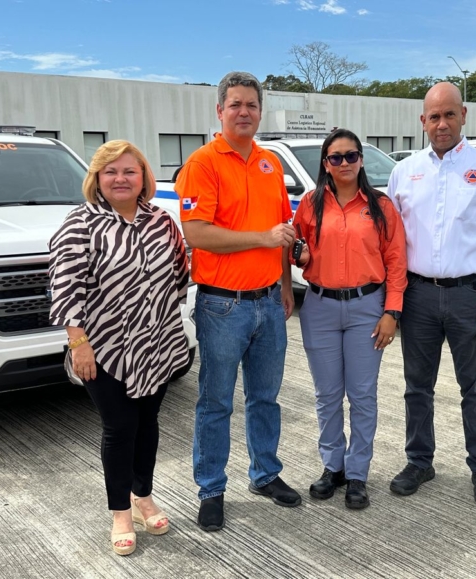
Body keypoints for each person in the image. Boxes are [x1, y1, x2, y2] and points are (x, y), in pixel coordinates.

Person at [48, 140, 190, 555]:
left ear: (144, 176)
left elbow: (180, 273)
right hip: (103, 348)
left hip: (157, 342)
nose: (121, 179)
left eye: (130, 171)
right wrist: (78, 343)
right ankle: (121, 513)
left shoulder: (161, 221)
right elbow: (65, 287)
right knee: (120, 427)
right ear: (97, 178)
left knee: (148, 423)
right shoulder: (80, 224)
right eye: (110, 171)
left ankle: (142, 495)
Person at [176, 71, 299, 532]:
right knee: (216, 402)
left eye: (251, 105)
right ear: (220, 110)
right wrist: (260, 238)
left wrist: (284, 284)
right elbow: (197, 233)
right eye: (236, 104)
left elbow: (282, 231)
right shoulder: (203, 164)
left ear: (260, 112)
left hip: (269, 303)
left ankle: (265, 474)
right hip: (223, 307)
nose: (244, 112)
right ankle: (211, 489)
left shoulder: (270, 163)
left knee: (265, 398)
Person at [386, 82, 476, 505]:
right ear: (422, 121)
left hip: (471, 296)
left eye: (449, 115)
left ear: (463, 116)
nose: (441, 124)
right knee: (416, 387)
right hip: (418, 296)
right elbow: (390, 240)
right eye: (434, 116)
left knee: (474, 386)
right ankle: (419, 461)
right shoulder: (405, 172)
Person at [291, 129, 407, 509]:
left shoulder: (381, 206)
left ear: (361, 159)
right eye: (335, 157)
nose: (344, 163)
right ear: (325, 163)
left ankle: (357, 473)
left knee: (362, 395)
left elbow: (396, 261)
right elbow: (296, 248)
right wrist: (298, 256)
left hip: (367, 309)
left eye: (351, 155)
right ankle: (333, 467)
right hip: (320, 308)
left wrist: (392, 312)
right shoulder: (309, 204)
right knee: (327, 395)